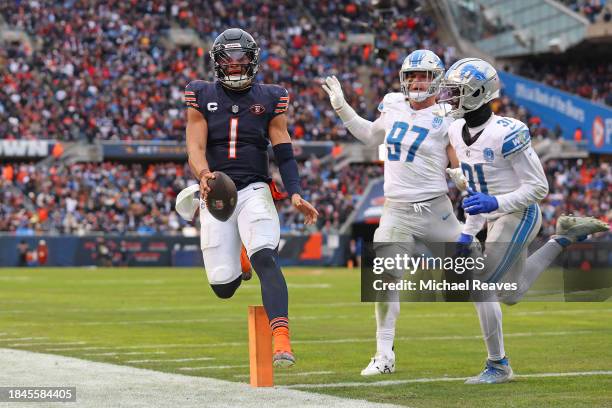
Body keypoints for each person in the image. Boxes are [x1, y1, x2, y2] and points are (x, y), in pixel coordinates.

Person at [441, 57, 609, 384]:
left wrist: (495, 202)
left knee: (483, 287)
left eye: (456, 91)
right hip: (494, 214)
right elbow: (476, 191)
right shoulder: (456, 130)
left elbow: (538, 187)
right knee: (511, 293)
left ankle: (498, 365)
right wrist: (467, 233)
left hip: (521, 213)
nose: (449, 97)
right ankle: (563, 238)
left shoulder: (507, 132)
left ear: (478, 93)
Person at [323, 50, 464, 376]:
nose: (416, 82)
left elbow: (458, 160)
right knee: (383, 278)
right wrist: (342, 108)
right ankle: (384, 355)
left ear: (436, 80)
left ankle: (496, 356)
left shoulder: (448, 115)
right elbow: (372, 135)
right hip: (397, 208)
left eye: (424, 76)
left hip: (435, 207)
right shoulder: (393, 103)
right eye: (412, 76)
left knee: (475, 278)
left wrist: (462, 175)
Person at [184, 28, 319, 367]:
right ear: (217, 63)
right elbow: (195, 146)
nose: (234, 66)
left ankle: (282, 339)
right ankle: (240, 258)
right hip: (215, 192)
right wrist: (203, 175)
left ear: (253, 61)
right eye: (227, 61)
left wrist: (296, 193)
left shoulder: (271, 96)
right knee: (222, 286)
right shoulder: (199, 94)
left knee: (266, 258)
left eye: (241, 59)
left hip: (255, 189)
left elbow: (284, 152)